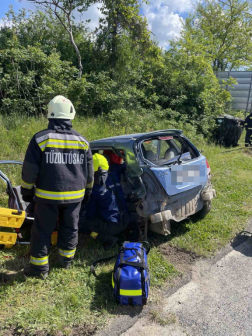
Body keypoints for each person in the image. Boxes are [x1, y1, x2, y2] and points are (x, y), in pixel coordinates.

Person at [21, 95, 94, 278]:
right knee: (70, 228)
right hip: (75, 197)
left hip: (47, 197)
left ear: (50, 115)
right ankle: (66, 262)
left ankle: (39, 270)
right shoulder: (83, 142)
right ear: (71, 116)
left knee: (42, 231)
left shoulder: (41, 139)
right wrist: (88, 192)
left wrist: (27, 192)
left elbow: (30, 171)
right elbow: (90, 174)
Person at [79, 153, 129, 249]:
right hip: (126, 219)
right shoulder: (114, 176)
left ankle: (105, 238)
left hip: (113, 226)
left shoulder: (94, 189)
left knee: (80, 222)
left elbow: (90, 215)